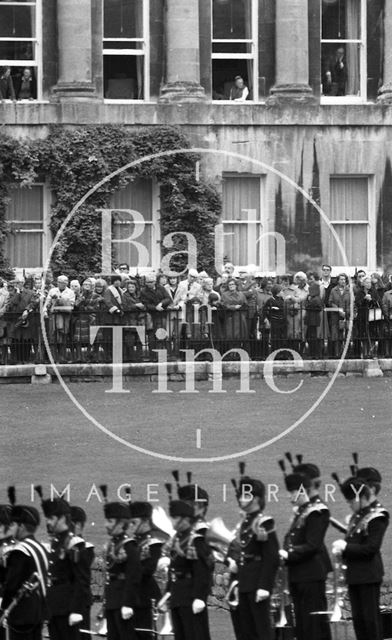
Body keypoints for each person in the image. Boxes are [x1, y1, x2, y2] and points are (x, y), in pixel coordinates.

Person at [332, 476, 389, 640]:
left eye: (351, 500)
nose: (349, 504)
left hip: (368, 575)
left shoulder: (377, 516)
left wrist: (346, 547)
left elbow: (371, 548)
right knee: (359, 622)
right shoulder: (357, 516)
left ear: (359, 497)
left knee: (370, 622)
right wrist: (343, 549)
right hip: (354, 575)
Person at [279, 465, 332, 640]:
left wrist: (289, 553)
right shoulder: (303, 511)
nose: (289, 496)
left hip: (310, 574)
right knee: (302, 624)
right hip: (298, 575)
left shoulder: (315, 511)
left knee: (313, 625)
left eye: (293, 491)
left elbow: (313, 544)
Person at [227, 466, 279, 640]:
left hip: (257, 583)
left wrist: (265, 586)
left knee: (261, 631)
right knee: (246, 631)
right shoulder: (245, 523)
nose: (240, 499)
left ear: (256, 498)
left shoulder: (264, 522)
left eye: (245, 495)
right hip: (244, 582)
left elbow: (271, 556)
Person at [41, 496, 91, 640]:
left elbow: (81, 579)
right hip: (55, 606)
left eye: (51, 518)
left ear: (62, 518)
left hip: (68, 608)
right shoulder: (56, 542)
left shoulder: (74, 543)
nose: (48, 522)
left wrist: (76, 610)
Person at [1, 496, 48, 640]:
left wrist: (4, 609)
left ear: (21, 526)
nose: (12, 527)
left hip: (20, 613)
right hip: (36, 611)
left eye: (14, 524)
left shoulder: (20, 551)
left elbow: (11, 584)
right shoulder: (39, 547)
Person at [167, 499, 212, 640]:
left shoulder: (195, 541)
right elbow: (173, 569)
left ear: (185, 519)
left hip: (191, 596)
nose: (172, 521)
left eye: (175, 518)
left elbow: (202, 570)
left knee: (195, 635)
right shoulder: (176, 540)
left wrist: (199, 597)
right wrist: (168, 593)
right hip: (177, 596)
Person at [102, 491, 142, 640]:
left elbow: (133, 576)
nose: (106, 525)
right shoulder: (113, 544)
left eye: (110, 521)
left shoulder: (129, 546)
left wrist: (128, 603)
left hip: (123, 602)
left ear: (121, 523)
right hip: (113, 600)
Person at [128, 502, 169, 639]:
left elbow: (147, 570)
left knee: (145, 634)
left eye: (134, 522)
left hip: (145, 597)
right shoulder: (133, 542)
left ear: (145, 521)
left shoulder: (153, 543)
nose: (131, 526)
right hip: (131, 596)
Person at [69, 506, 95, 640]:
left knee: (81, 636)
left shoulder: (85, 547)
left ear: (78, 525)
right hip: (64, 599)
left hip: (80, 599)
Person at [328, 274, 351, 359]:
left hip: (346, 316)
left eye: (344, 279)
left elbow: (352, 303)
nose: (343, 281)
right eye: (341, 279)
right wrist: (338, 310)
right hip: (336, 316)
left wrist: (347, 312)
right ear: (338, 280)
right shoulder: (334, 290)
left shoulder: (349, 290)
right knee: (336, 336)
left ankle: (346, 354)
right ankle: (337, 354)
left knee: (346, 335)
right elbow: (330, 302)